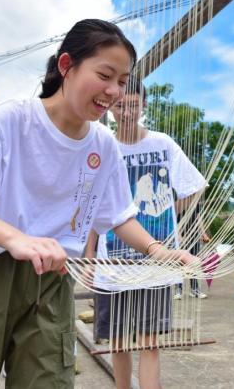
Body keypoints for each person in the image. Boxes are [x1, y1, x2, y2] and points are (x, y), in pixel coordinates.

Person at [0, 20, 197, 388]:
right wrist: (17, 239)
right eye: (104, 75)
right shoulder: (10, 120)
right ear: (66, 66)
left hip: (54, 280)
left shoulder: (103, 145)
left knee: (48, 380)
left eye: (123, 81)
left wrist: (159, 250)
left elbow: (118, 216)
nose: (113, 91)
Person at [86, 78, 207, 389]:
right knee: (118, 340)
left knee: (149, 342)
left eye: (133, 105)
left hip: (156, 263)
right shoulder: (102, 146)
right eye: (120, 105)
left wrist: (169, 214)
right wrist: (88, 257)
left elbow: (194, 186)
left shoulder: (163, 144)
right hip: (113, 262)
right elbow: (92, 207)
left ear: (144, 106)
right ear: (110, 107)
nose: (126, 112)